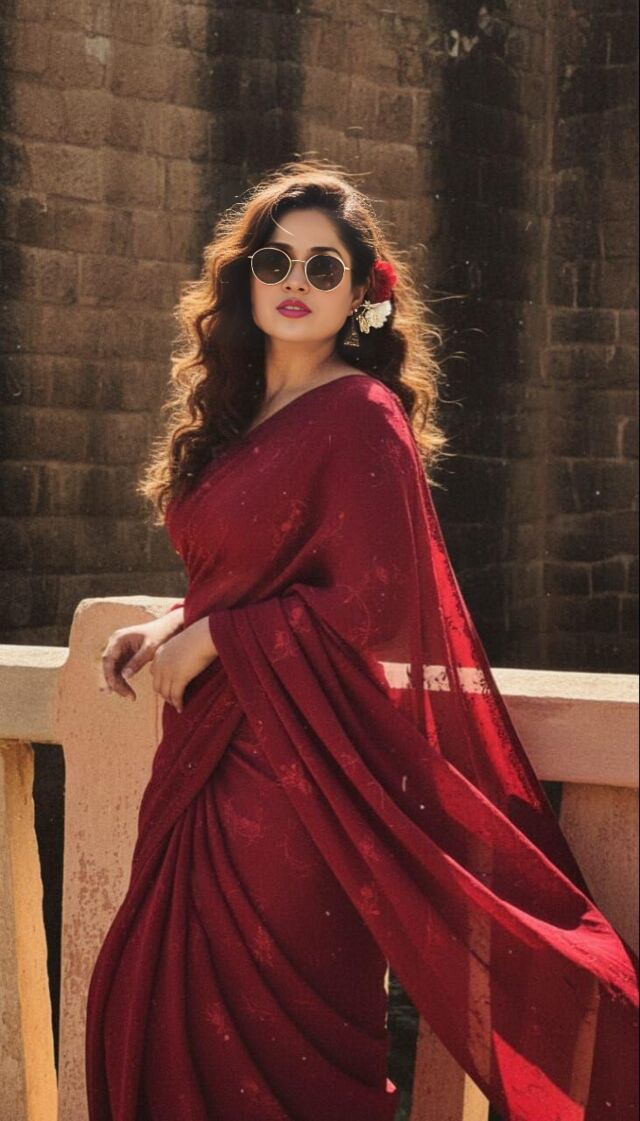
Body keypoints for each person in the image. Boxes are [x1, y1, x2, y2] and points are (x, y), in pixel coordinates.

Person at [87, 160, 638, 1121]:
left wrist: (217, 637)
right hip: (206, 763)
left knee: (279, 1053)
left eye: (323, 266)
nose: (295, 282)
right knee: (158, 1002)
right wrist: (178, 619)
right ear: (245, 279)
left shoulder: (363, 417)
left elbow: (371, 611)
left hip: (294, 788)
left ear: (361, 294)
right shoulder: (238, 415)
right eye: (275, 261)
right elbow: (259, 568)